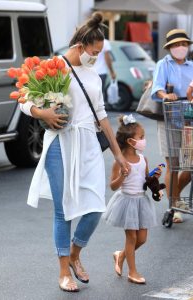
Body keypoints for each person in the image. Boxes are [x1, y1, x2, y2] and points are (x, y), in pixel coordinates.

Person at [20, 12, 129, 293]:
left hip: (89, 145)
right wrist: (42, 112)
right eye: (94, 52)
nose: (96, 58)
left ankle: (75, 253)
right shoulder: (56, 67)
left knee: (94, 207)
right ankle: (63, 271)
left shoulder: (92, 75)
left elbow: (102, 116)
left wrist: (118, 154)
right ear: (81, 46)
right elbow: (24, 100)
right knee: (64, 211)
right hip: (60, 144)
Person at [103, 114, 159, 284]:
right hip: (126, 203)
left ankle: (121, 254)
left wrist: (154, 178)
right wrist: (121, 176)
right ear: (130, 141)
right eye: (141, 137)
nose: (144, 140)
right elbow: (113, 186)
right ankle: (132, 272)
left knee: (142, 239)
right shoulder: (119, 162)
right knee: (132, 238)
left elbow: (145, 181)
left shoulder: (143, 159)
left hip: (141, 202)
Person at [151, 29, 192, 223]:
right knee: (173, 166)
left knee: (190, 166)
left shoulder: (191, 66)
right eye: (176, 45)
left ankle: (176, 198)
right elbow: (157, 87)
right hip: (169, 118)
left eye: (183, 44)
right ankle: (174, 206)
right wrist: (166, 95)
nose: (180, 48)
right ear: (169, 48)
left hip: (189, 120)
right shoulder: (163, 64)